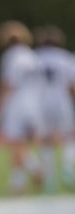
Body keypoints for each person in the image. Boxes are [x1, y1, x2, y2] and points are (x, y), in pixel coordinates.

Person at [0, 20, 44, 195]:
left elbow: (7, 83)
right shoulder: (32, 56)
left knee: (16, 145)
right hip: (33, 103)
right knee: (22, 145)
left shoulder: (11, 56)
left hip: (17, 103)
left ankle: (35, 170)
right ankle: (18, 184)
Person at [34, 25, 75, 192]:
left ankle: (50, 181)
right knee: (70, 137)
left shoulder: (34, 57)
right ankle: (67, 166)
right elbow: (72, 85)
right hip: (61, 101)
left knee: (46, 141)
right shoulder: (66, 58)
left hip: (41, 102)